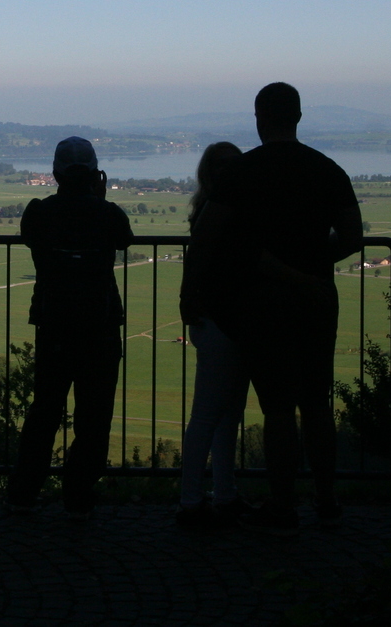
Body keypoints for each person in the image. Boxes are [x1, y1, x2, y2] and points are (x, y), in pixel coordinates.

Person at [190, 82, 361, 535]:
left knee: (279, 408)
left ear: (259, 118)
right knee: (317, 403)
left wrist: (193, 292)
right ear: (299, 117)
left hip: (261, 301)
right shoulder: (328, 170)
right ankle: (327, 499)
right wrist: (313, 262)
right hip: (318, 299)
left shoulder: (243, 172)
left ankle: (283, 505)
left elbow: (206, 234)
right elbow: (351, 238)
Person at [7, 136, 134, 520]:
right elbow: (125, 240)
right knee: (94, 415)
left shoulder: (39, 213)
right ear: (96, 173)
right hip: (100, 323)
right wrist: (101, 196)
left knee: (45, 410)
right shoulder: (108, 213)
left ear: (55, 174)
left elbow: (31, 237)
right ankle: (78, 494)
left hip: (55, 323)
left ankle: (23, 492)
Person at [176, 141, 252, 529]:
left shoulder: (206, 208)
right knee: (211, 416)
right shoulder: (229, 210)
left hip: (217, 320)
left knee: (222, 415)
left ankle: (220, 494)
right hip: (225, 320)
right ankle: (194, 500)